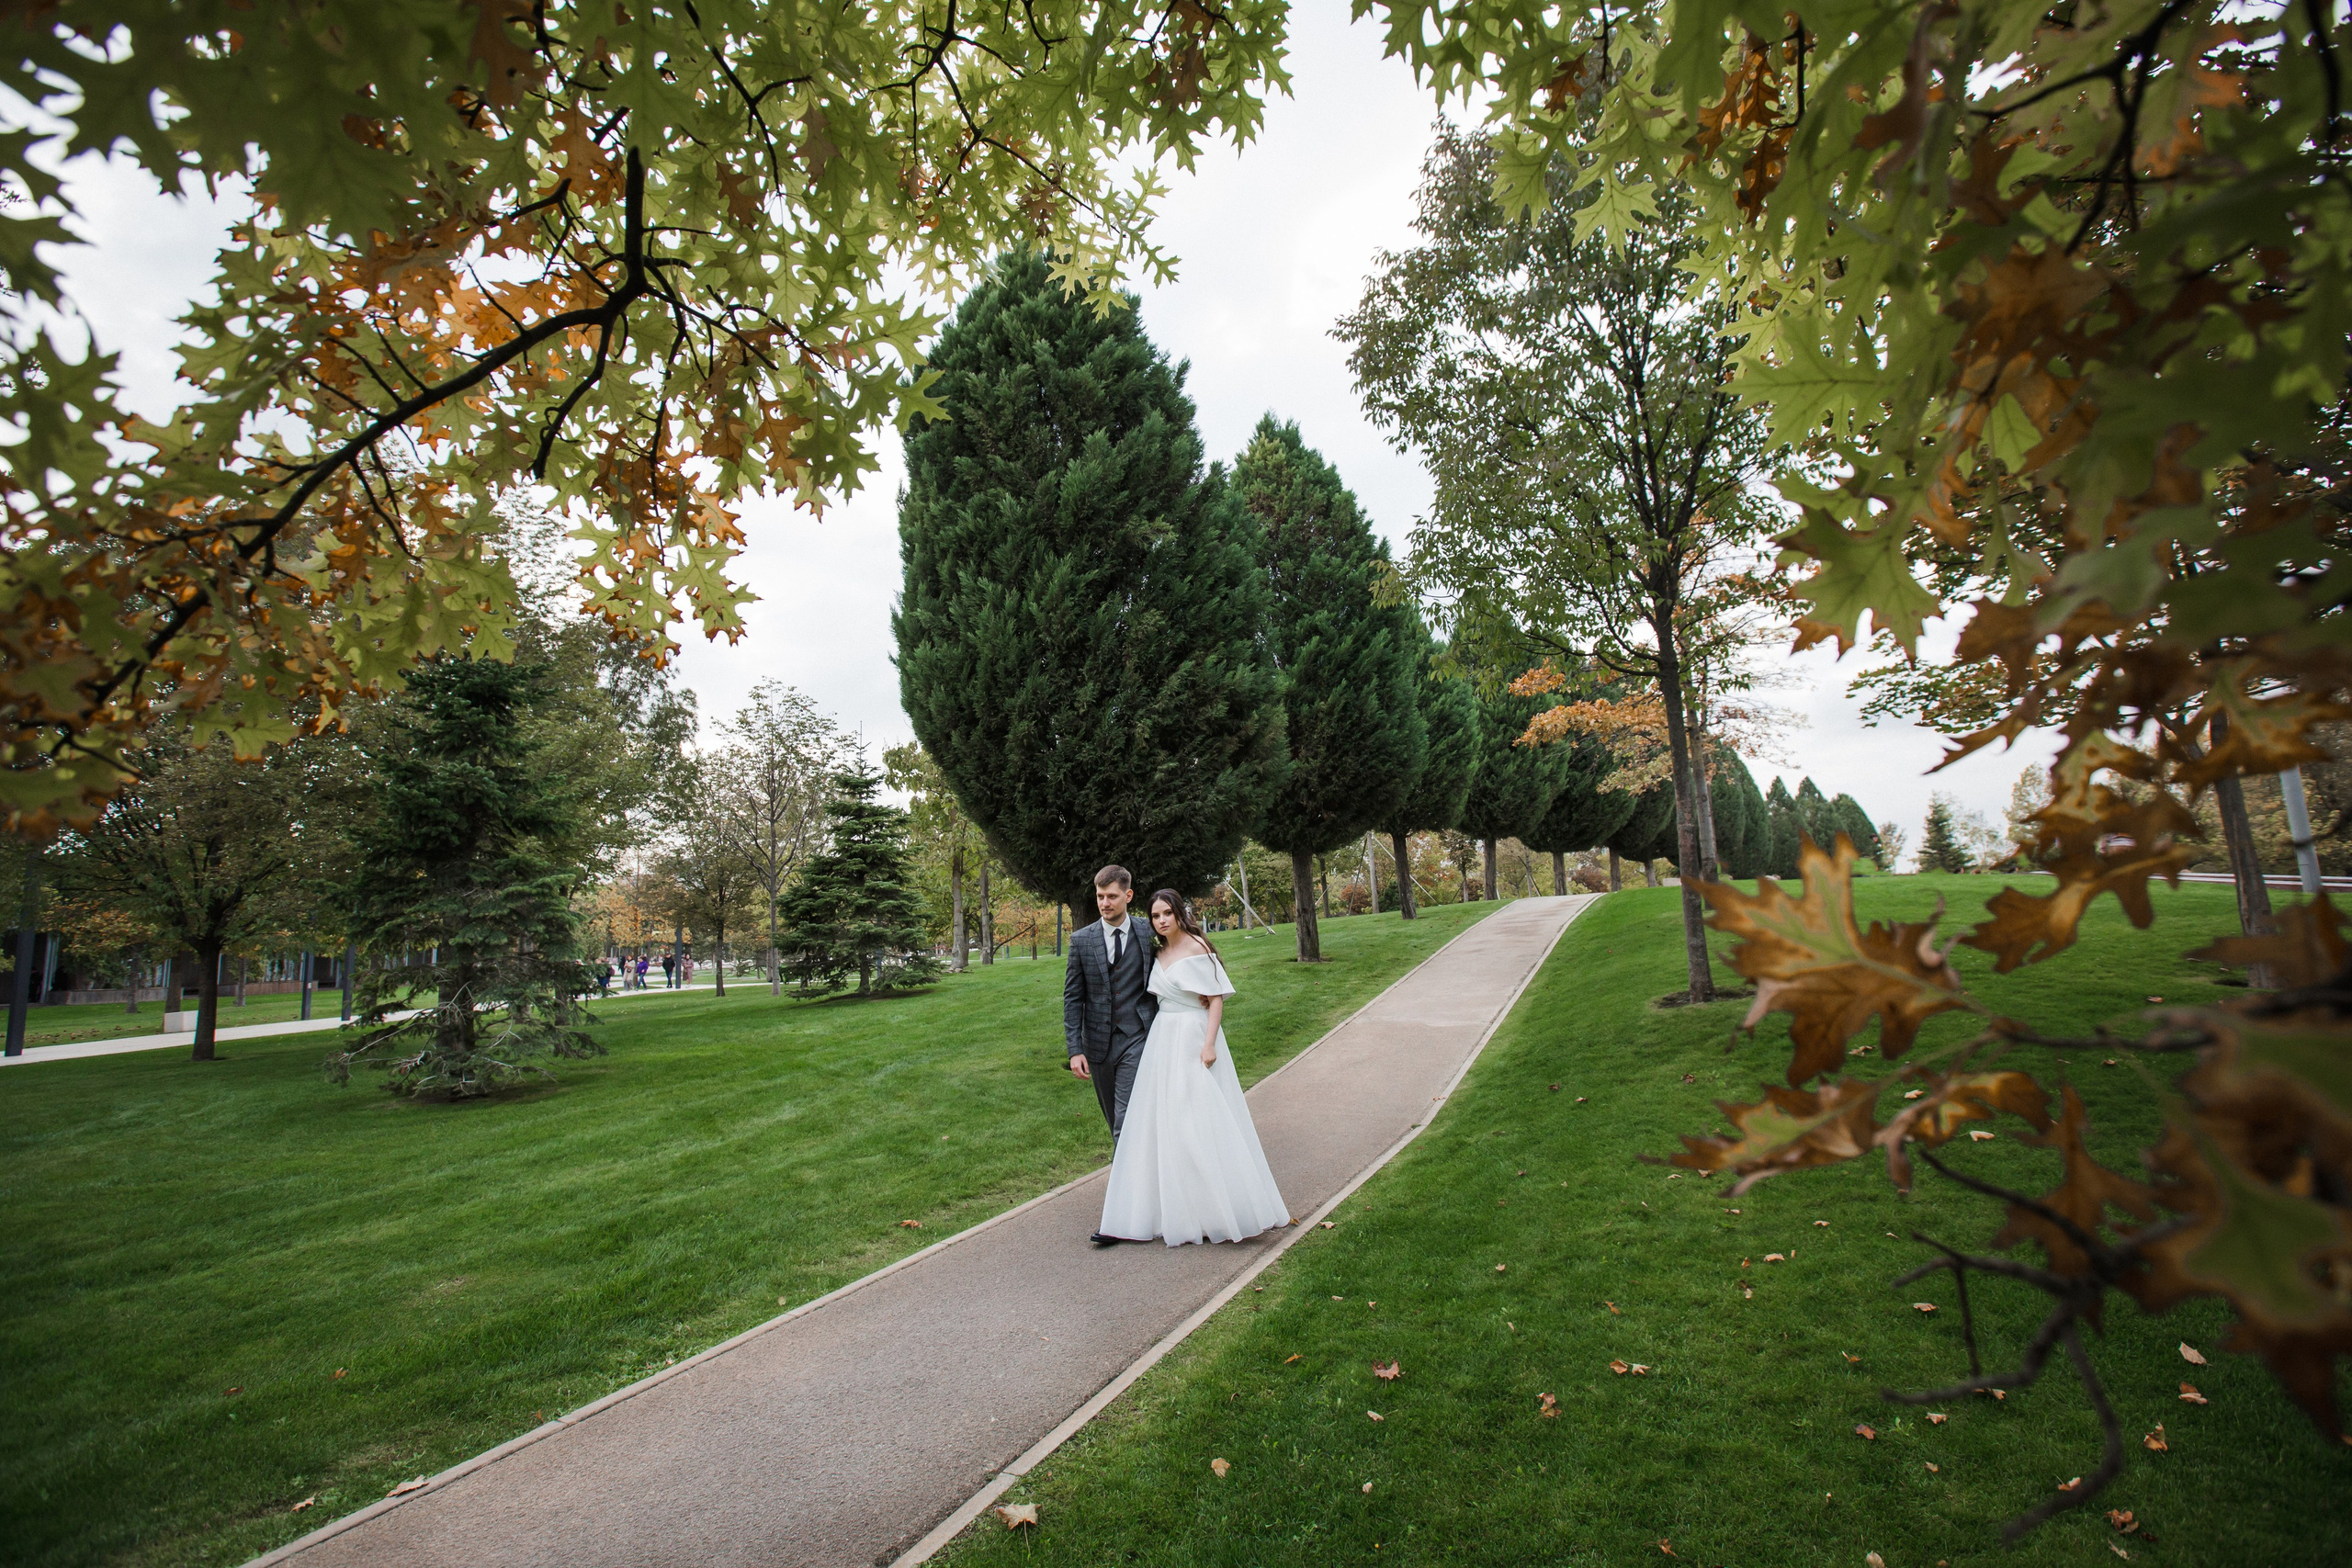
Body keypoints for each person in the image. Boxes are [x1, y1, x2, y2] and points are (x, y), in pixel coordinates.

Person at [1094, 888, 1289, 1247]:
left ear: (1179, 912)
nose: (1162, 920)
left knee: (1197, 1118)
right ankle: (1168, 1209)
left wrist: (1209, 1044)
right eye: (1155, 916)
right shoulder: (1158, 952)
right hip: (1162, 1039)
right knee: (1165, 1121)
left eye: (1167, 913)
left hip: (1194, 1037)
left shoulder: (1198, 947)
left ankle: (1214, 1211)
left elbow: (1214, 1000)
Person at [1064, 865, 1157, 1175]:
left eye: (1112, 896)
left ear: (1128, 896)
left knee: (1125, 1119)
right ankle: (1143, 1183)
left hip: (1138, 1035)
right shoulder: (1081, 941)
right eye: (1100, 896)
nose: (1105, 903)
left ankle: (1123, 1205)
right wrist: (1075, 1049)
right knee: (1113, 1118)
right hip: (1098, 1043)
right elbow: (1073, 998)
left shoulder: (1148, 931)